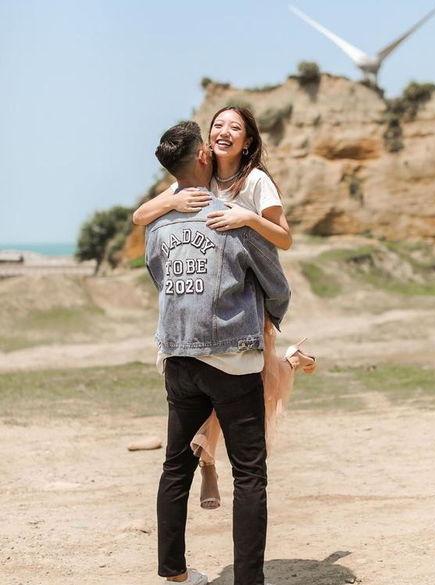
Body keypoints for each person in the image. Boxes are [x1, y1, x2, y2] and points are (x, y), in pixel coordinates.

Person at [135, 106, 316, 510]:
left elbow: (284, 238)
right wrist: (173, 202)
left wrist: (246, 218)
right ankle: (208, 464)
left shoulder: (256, 181)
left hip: (243, 301)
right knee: (216, 386)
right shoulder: (199, 176)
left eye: (235, 127)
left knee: (253, 387)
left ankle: (211, 459)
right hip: (201, 303)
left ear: (247, 141)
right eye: (218, 124)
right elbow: (140, 216)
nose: (224, 131)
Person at [146, 120, 291, 585]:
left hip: (178, 357)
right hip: (232, 360)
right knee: (249, 474)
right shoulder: (232, 217)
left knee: (175, 466)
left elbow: (159, 275)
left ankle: (173, 572)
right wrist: (262, 319)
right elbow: (277, 286)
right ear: (203, 157)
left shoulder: (159, 223)